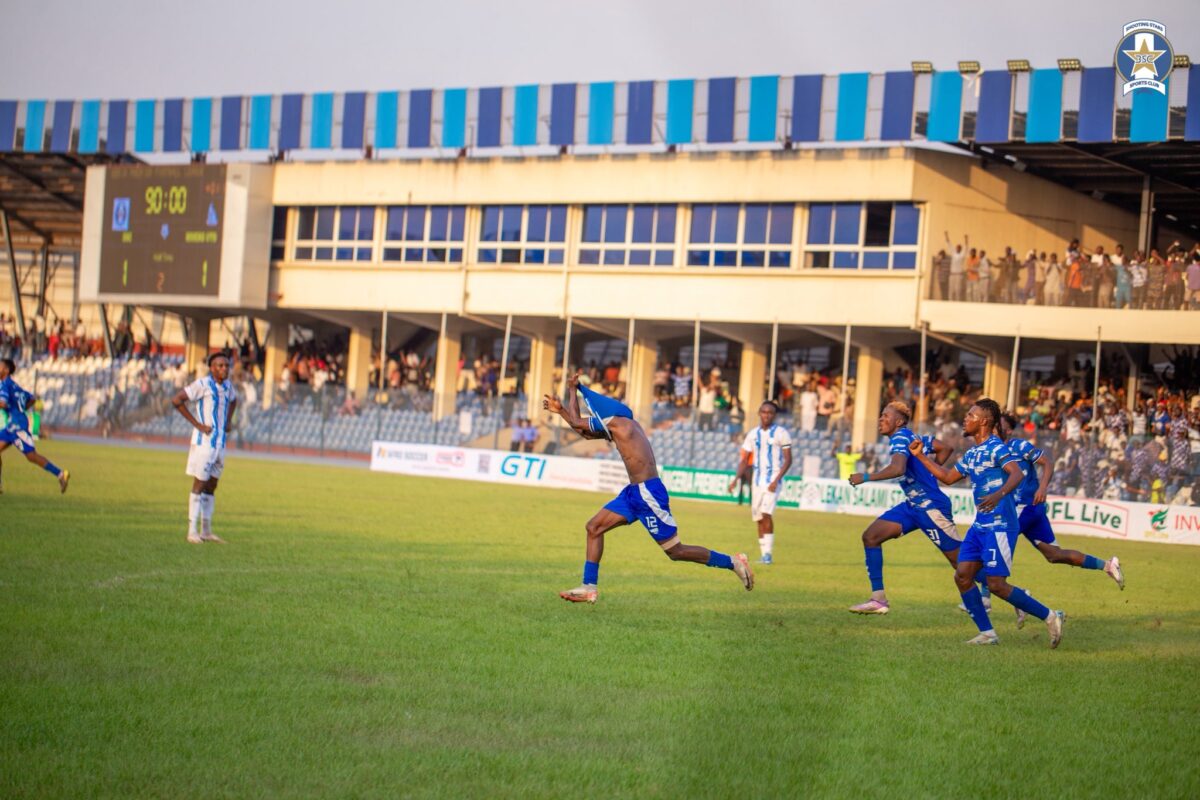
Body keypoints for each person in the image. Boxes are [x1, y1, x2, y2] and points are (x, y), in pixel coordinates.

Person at [545, 373, 753, 603]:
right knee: (594, 527)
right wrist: (562, 410)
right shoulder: (621, 424)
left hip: (648, 494)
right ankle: (588, 587)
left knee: (676, 551)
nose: (594, 415)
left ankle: (733, 562)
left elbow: (578, 423)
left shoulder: (617, 423)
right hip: (634, 493)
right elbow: (584, 434)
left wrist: (572, 390)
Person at [908, 399, 1065, 648]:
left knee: (996, 585)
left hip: (1001, 525)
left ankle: (1050, 616)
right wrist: (920, 457)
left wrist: (998, 495)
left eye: (970, 415)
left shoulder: (997, 447)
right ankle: (988, 633)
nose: (965, 418)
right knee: (962, 576)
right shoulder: (973, 453)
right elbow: (947, 477)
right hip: (980, 525)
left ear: (983, 421)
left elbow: (1017, 473)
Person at [997, 414, 1123, 628]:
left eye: (999, 426)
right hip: (1031, 510)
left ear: (1008, 430)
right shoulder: (994, 450)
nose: (994, 428)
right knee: (1054, 555)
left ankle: (999, 600)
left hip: (1025, 508)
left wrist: (1043, 487)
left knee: (993, 548)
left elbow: (1048, 462)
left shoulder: (1019, 446)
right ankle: (1108, 565)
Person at [846, 402, 965, 615]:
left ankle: (1009, 594)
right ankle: (878, 599)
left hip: (930, 507)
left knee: (960, 563)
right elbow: (945, 448)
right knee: (871, 537)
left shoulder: (900, 437)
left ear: (899, 421)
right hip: (913, 505)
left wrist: (865, 477)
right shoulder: (912, 436)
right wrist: (930, 474)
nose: (881, 419)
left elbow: (897, 468)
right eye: (881, 415)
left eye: (886, 416)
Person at [172, 352, 238, 544]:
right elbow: (177, 400)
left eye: (226, 365)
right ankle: (192, 531)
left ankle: (206, 531)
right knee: (199, 484)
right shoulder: (202, 384)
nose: (224, 369)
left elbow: (234, 400)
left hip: (220, 443)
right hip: (204, 443)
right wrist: (198, 424)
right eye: (220, 366)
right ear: (211, 368)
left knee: (212, 485)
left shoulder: (228, 386)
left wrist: (228, 421)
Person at [727, 401, 792, 565]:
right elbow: (744, 460)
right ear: (759, 413)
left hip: (773, 480)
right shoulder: (753, 434)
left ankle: (768, 555)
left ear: (774, 415)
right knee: (758, 517)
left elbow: (788, 460)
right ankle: (764, 555)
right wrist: (735, 480)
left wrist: (776, 480)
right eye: (764, 412)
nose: (767, 415)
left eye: (770, 412)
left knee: (766, 514)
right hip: (757, 481)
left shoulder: (781, 433)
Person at [0, 358, 70, 494]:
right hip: (13, 425)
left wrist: (16, 411)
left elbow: (2, 403)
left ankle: (61, 474)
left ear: (6, 370)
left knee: (32, 456)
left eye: (0, 366)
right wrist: (20, 410)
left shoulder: (5, 385)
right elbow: (31, 398)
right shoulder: (15, 386)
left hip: (17, 427)